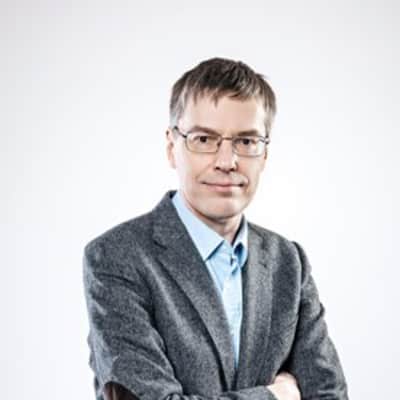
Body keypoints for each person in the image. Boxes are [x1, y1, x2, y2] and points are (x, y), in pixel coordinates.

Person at [83, 57, 348, 400]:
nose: (226, 161)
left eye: (247, 142)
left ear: (265, 155)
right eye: (204, 139)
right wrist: (277, 396)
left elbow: (330, 394)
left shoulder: (289, 262)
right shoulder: (117, 257)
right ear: (171, 147)